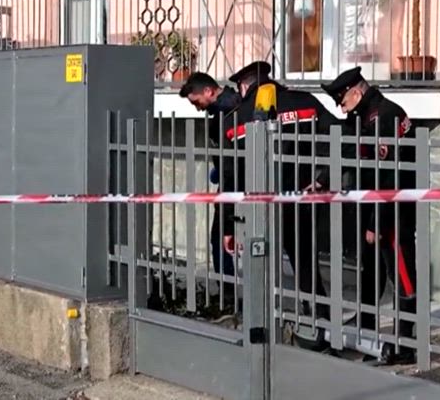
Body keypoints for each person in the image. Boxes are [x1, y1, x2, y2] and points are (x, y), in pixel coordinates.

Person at [224, 61, 341, 346]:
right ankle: (319, 323)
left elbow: (230, 176)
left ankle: (260, 327)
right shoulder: (305, 102)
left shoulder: (236, 119)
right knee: (305, 264)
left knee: (258, 263)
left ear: (244, 86)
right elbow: (339, 137)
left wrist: (228, 223)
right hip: (299, 199)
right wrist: (323, 179)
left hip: (257, 206)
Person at [319, 66, 417, 364]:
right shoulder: (363, 116)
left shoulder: (383, 116)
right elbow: (350, 155)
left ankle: (406, 343)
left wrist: (376, 222)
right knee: (370, 272)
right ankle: (366, 328)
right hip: (374, 207)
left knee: (402, 274)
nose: (341, 108)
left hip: (393, 210)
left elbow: (386, 176)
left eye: (343, 101)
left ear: (357, 92)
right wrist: (322, 180)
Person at [178, 72, 241, 300]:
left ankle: (229, 296)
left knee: (223, 239)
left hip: (236, 185)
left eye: (197, 102)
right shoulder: (223, 111)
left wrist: (223, 175)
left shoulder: (230, 112)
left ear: (208, 91)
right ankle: (227, 294)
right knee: (221, 240)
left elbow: (232, 160)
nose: (197, 109)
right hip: (230, 181)